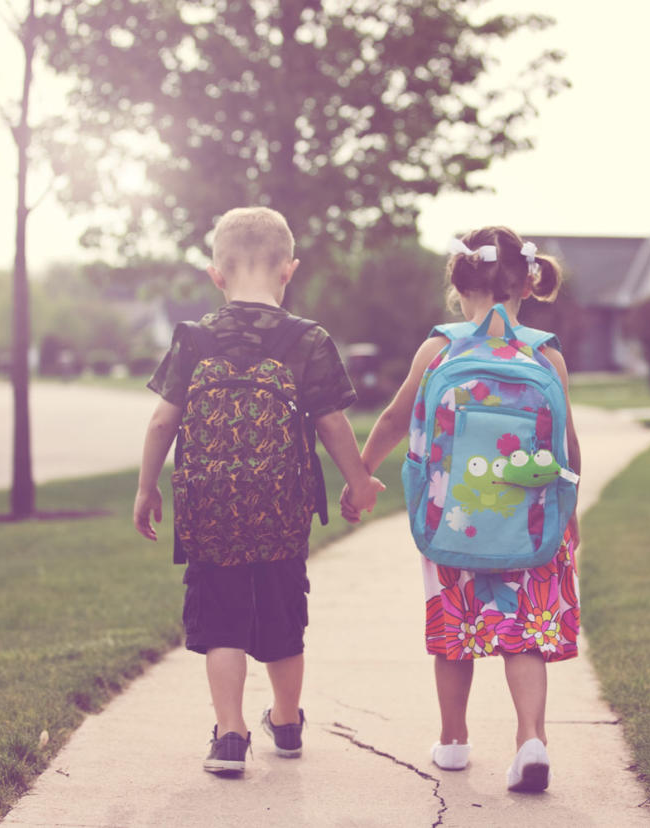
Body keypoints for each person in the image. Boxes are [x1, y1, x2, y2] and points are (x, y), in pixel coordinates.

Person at [134, 206, 384, 776]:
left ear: (216, 275)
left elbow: (160, 424)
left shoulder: (194, 338)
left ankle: (229, 735)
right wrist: (359, 482)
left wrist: (148, 489)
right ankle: (288, 722)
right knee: (281, 616)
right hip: (282, 511)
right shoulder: (307, 341)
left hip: (210, 511)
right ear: (288, 270)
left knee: (220, 620)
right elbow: (331, 424)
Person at [340, 225, 582, 793]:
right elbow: (567, 444)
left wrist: (362, 475)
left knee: (456, 633)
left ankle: (453, 741)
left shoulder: (441, 348)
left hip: (453, 519)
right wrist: (568, 511)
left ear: (458, 282)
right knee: (523, 637)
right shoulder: (545, 353)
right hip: (530, 522)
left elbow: (397, 419)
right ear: (527, 282)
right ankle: (531, 740)